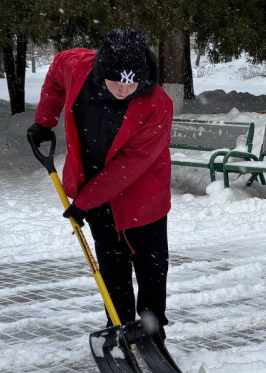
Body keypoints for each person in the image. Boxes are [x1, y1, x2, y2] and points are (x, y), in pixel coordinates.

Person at [27, 27, 173, 338]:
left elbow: (128, 166)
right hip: (93, 192)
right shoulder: (78, 67)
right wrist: (44, 120)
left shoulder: (157, 104)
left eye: (131, 81)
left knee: (151, 268)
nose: (123, 89)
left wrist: (84, 202)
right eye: (116, 81)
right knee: (111, 266)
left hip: (142, 197)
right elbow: (55, 74)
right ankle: (118, 327)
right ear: (101, 70)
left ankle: (152, 331)